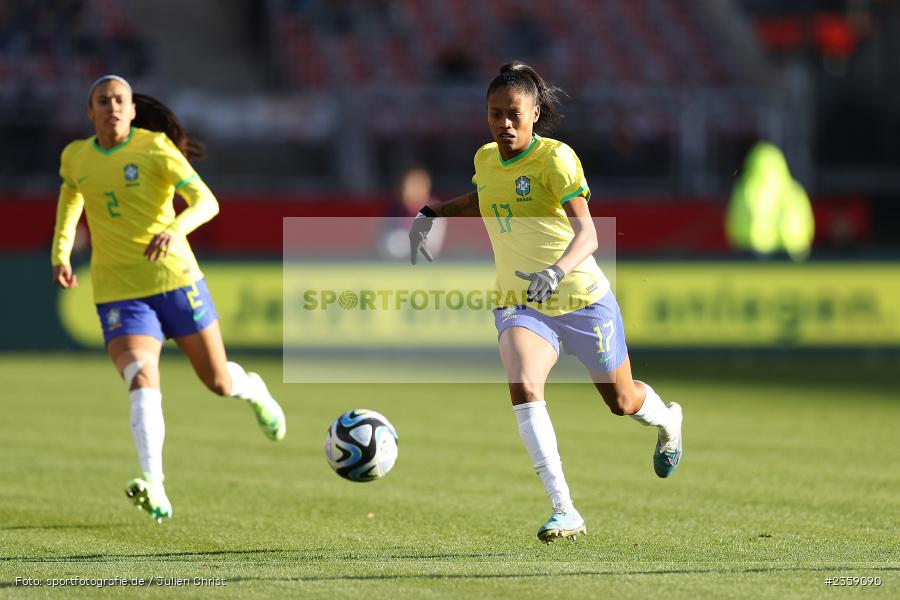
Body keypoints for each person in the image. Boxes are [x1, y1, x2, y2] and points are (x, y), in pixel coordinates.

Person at [409, 62, 683, 543]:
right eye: (495, 114)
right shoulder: (486, 159)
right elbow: (484, 199)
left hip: (581, 299)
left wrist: (556, 271)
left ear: (535, 112)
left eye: (513, 113)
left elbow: (589, 234)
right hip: (521, 302)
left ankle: (668, 421)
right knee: (523, 384)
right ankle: (565, 509)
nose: (504, 124)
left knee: (622, 402)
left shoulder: (556, 160)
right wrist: (433, 211)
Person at [51, 75, 287, 524]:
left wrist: (173, 229)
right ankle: (154, 484)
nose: (112, 107)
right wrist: (61, 252)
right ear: (90, 112)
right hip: (120, 290)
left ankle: (253, 389)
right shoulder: (75, 157)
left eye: (119, 100)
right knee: (141, 377)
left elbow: (206, 202)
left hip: (176, 280)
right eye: (103, 102)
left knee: (218, 381)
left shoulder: (155, 148)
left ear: (132, 110)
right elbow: (70, 199)